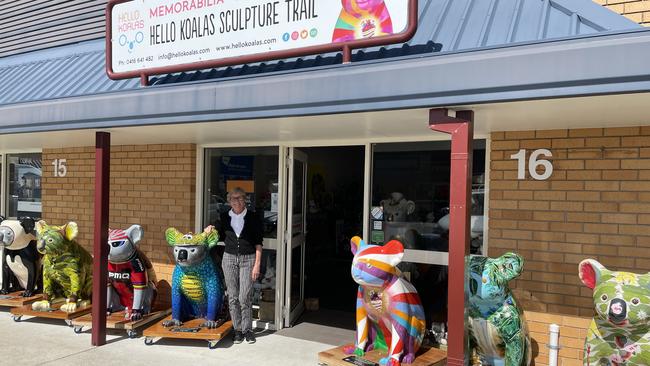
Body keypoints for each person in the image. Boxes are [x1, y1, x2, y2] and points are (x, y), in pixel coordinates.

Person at [210, 187, 262, 344]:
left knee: (244, 296)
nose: (237, 201)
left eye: (240, 198)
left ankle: (248, 330)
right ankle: (237, 329)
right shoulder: (224, 217)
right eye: (234, 198)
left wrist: (257, 265)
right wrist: (210, 229)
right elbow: (216, 232)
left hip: (248, 259)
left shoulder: (253, 217)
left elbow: (259, 243)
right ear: (229, 201)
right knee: (232, 296)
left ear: (245, 199)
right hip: (229, 259)